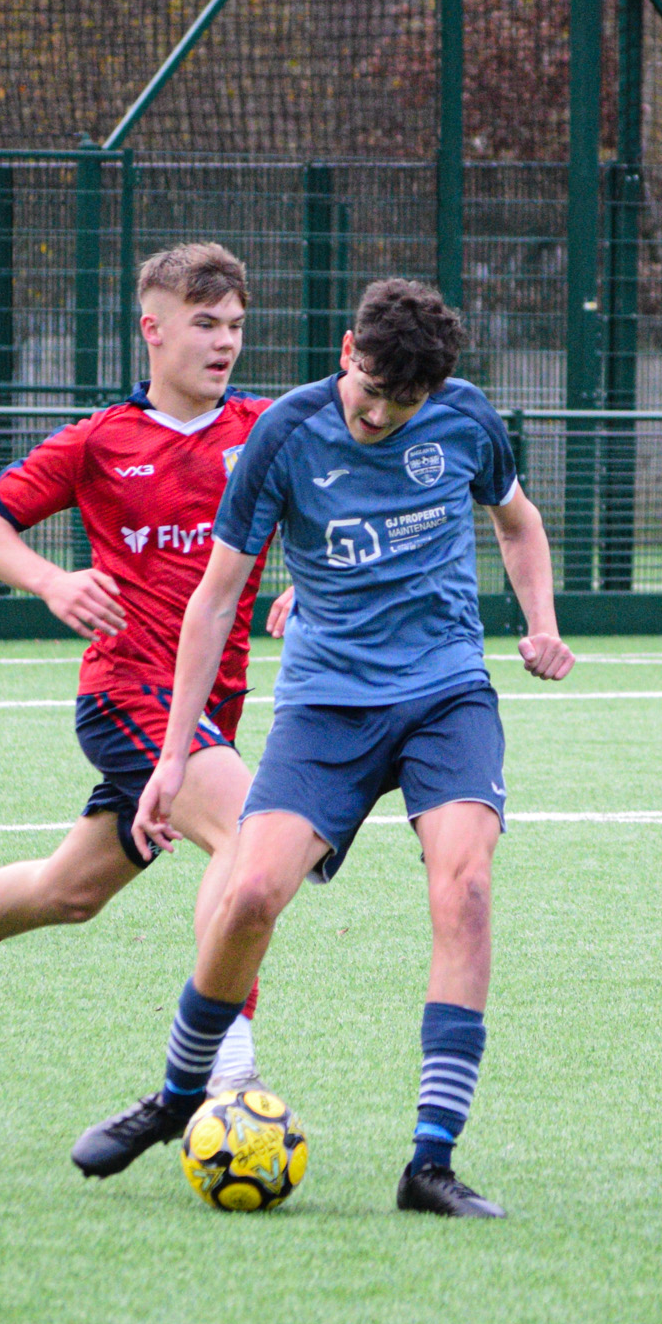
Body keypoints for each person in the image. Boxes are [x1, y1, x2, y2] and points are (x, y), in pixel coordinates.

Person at [68, 278, 574, 1220]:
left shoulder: (467, 420)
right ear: (347, 350)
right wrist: (173, 757)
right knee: (253, 892)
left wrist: (539, 621)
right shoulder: (286, 435)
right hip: (326, 707)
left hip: (445, 695)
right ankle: (181, 1095)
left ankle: (430, 1161)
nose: (378, 413)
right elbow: (215, 599)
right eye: (369, 388)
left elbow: (519, 522)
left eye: (402, 402)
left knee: (464, 886)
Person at [0, 243, 277, 1085]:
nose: (224, 341)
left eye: (234, 325)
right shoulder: (99, 441)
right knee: (250, 845)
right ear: (152, 330)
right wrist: (53, 580)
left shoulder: (266, 429)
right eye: (205, 324)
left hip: (208, 709)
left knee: (67, 892)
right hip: (127, 693)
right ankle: (226, 1073)